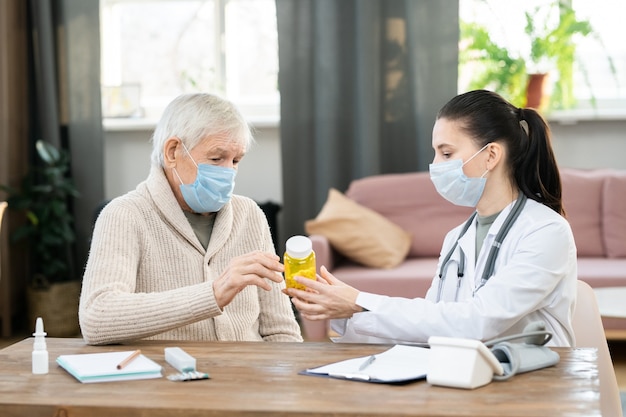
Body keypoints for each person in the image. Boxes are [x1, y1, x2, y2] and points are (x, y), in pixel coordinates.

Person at [285, 90, 577, 347]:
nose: (435, 165)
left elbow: (479, 322)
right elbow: (431, 323)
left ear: (490, 156)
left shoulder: (546, 231)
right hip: (470, 381)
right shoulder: (457, 238)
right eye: (435, 153)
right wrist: (346, 309)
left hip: (535, 389)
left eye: (446, 153)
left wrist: (359, 302)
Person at [80, 93, 303, 345]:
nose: (228, 171)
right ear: (173, 152)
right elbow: (97, 317)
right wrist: (214, 293)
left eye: (236, 160)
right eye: (216, 158)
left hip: (247, 377)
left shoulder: (250, 215)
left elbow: (282, 331)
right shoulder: (124, 215)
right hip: (167, 377)